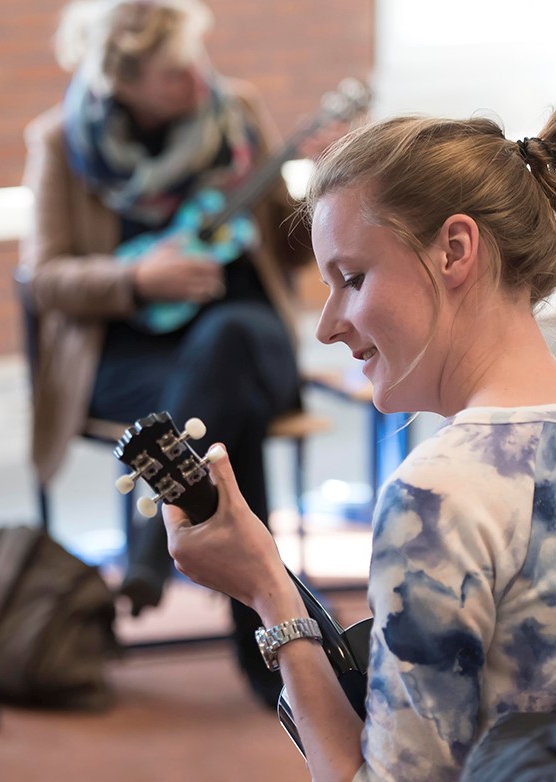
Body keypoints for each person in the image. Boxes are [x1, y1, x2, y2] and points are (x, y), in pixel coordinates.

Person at [163, 92, 556, 781]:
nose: (328, 325)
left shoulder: (442, 493)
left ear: (455, 250)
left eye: (353, 279)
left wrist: (270, 593)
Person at [20, 0, 343, 708]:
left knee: (227, 346)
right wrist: (134, 280)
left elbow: (294, 246)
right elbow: (41, 279)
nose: (199, 81)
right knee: (224, 423)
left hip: (245, 343)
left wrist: (322, 190)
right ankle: (276, 654)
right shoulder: (58, 143)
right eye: (173, 75)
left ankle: (151, 532)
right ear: (122, 81)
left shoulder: (239, 112)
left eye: (198, 59)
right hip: (129, 363)